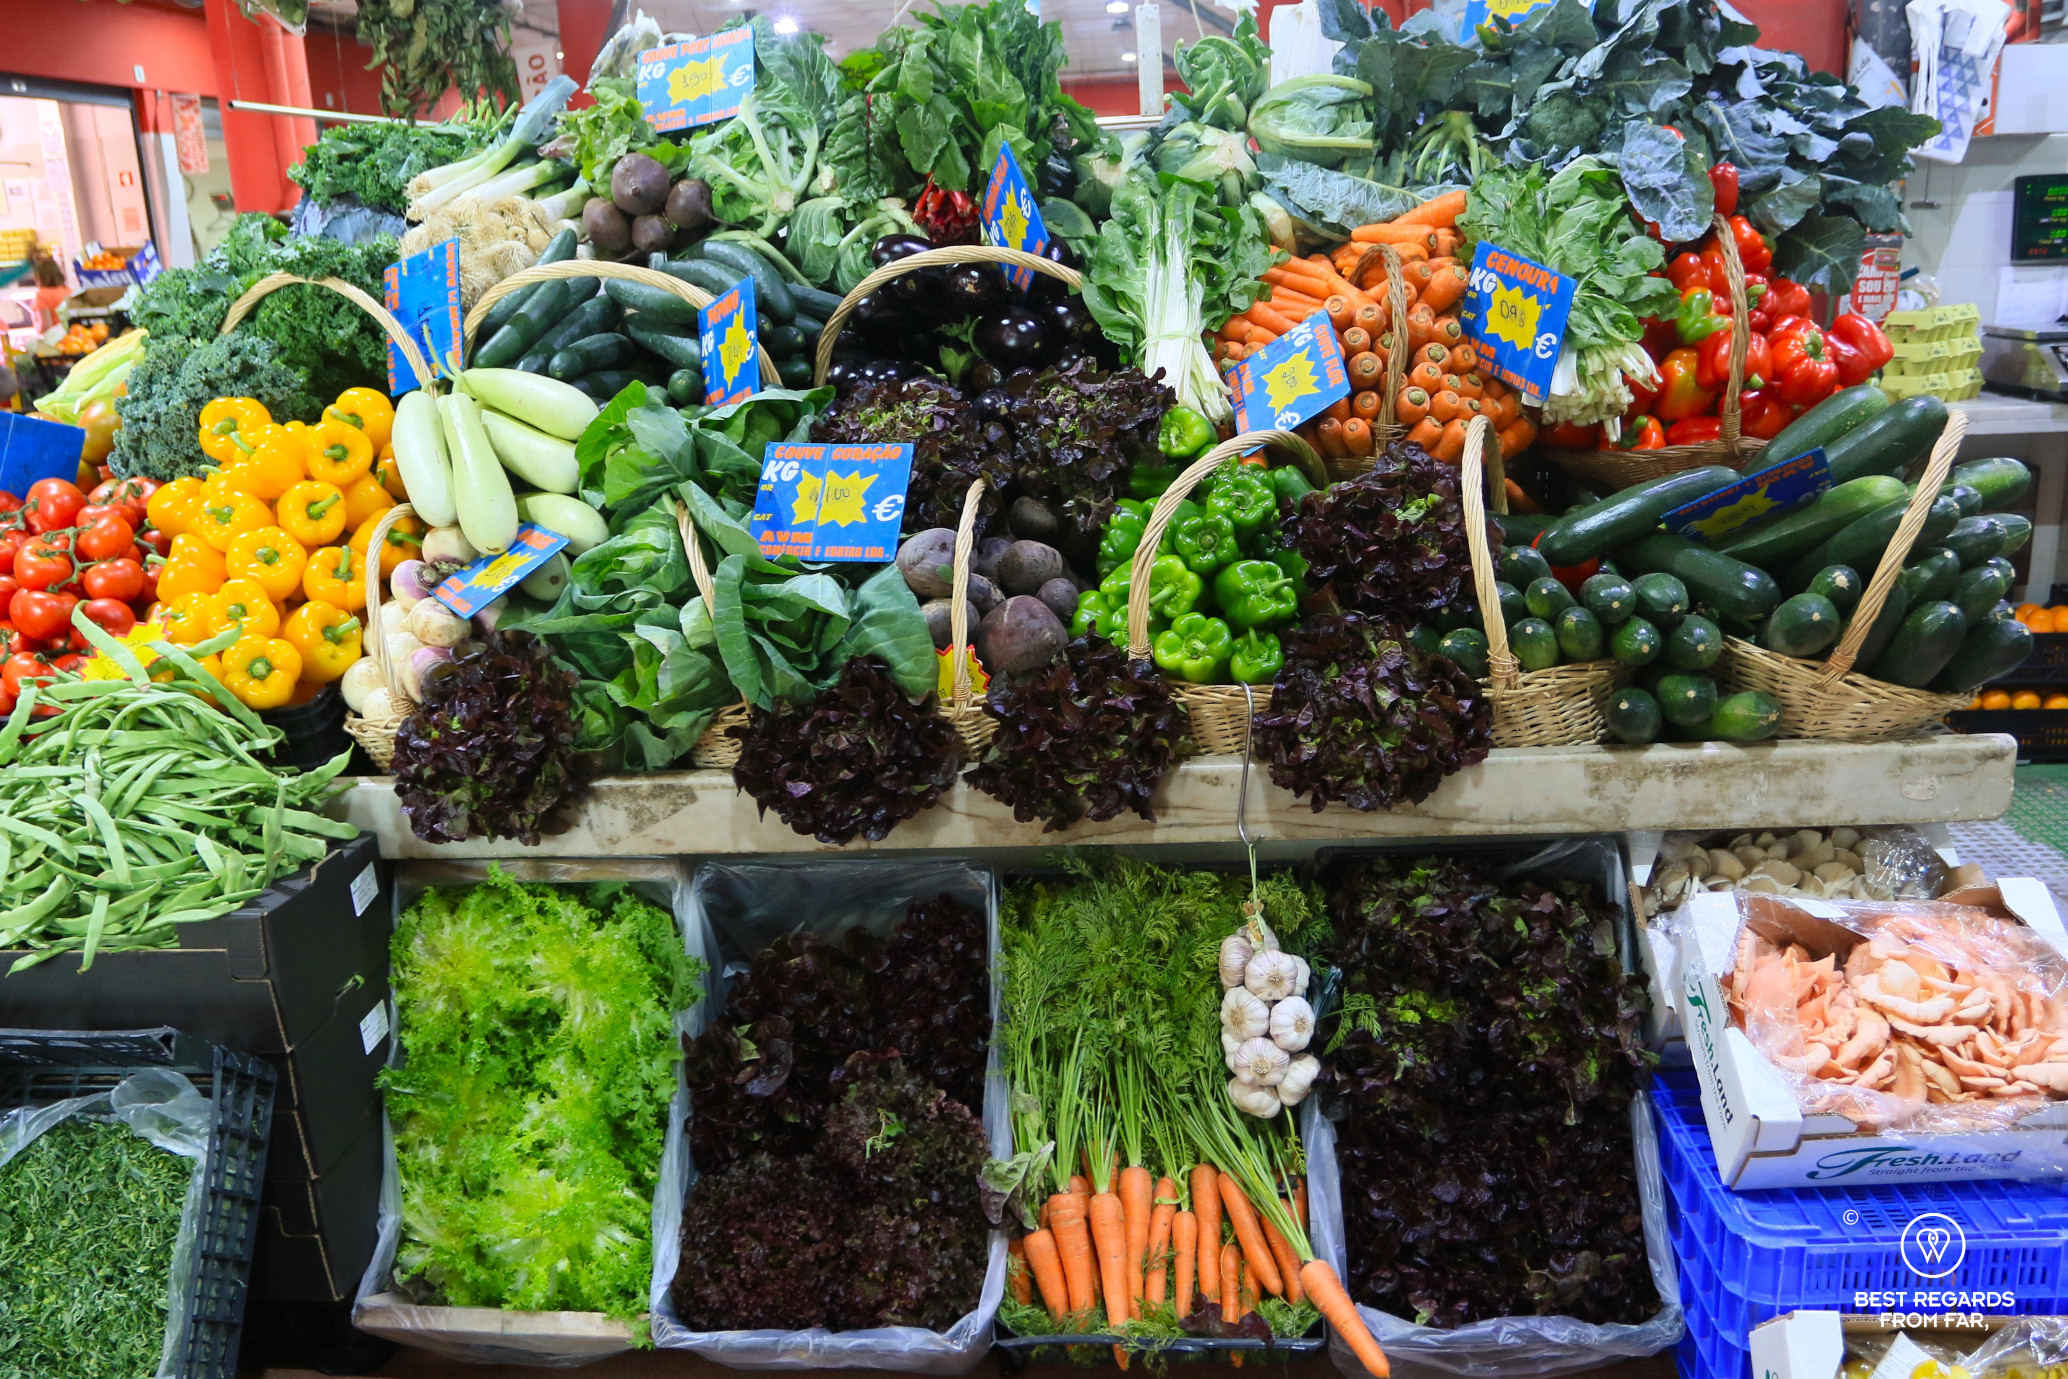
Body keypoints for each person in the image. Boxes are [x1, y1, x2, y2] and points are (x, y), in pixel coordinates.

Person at [29, 251, 68, 333]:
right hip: (72, 337)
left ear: (38, 276)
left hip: (57, 339)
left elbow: (46, 327)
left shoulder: (42, 295)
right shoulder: (69, 291)